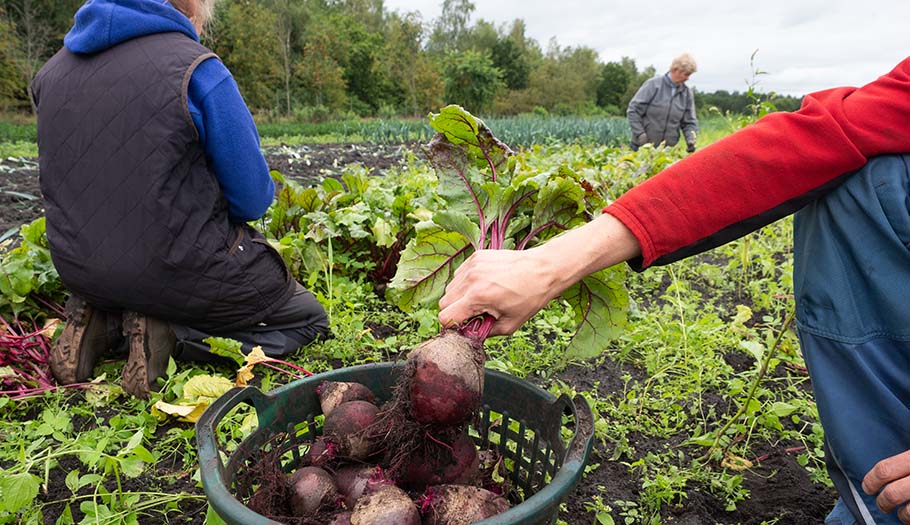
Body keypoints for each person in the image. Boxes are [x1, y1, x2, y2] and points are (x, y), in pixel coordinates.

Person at [439, 57, 910, 525]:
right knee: (867, 177)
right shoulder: (654, 87)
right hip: (652, 146)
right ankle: (872, 501)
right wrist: (548, 265)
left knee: (871, 182)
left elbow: (693, 121)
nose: (685, 82)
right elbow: (823, 135)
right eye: (684, 76)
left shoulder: (684, 96)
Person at [31, 0, 329, 399]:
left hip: (81, 272)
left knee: (124, 269)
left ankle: (106, 322)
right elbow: (254, 199)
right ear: (190, 11)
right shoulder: (197, 69)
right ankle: (173, 334)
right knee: (307, 320)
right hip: (177, 269)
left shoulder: (50, 74)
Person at [627, 52, 699, 152]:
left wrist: (691, 139)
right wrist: (640, 134)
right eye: (686, 74)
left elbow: (689, 122)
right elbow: (633, 110)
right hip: (642, 148)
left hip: (667, 151)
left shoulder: (686, 94)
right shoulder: (653, 85)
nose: (688, 78)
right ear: (675, 70)